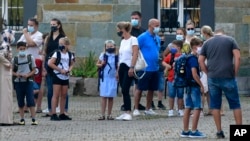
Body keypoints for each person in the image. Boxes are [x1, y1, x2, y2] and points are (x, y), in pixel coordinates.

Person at [198, 28, 242, 139]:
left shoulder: (207, 43)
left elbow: (200, 60)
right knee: (235, 104)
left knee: (215, 105)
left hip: (213, 77)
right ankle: (239, 132)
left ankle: (219, 131)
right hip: (228, 76)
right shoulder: (231, 40)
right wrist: (235, 72)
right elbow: (238, 57)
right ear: (224, 33)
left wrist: (207, 73)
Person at [133, 18, 160, 116]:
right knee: (140, 88)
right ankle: (136, 108)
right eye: (156, 25)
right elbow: (136, 49)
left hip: (155, 67)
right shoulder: (142, 37)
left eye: (158, 25)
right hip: (145, 68)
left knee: (151, 89)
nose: (158, 27)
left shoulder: (157, 38)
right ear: (150, 25)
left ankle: (148, 108)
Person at [180, 37, 206, 138]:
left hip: (187, 85)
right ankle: (194, 131)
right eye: (200, 46)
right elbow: (194, 74)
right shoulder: (194, 59)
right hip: (194, 85)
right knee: (197, 107)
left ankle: (185, 130)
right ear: (195, 47)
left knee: (188, 107)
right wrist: (201, 85)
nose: (201, 48)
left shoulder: (187, 57)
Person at [120, 11, 146, 111]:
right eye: (132, 18)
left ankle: (136, 103)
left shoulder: (142, 32)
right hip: (126, 63)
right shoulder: (127, 34)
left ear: (140, 19)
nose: (134, 20)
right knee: (125, 86)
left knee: (137, 84)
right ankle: (125, 104)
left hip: (136, 62)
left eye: (136, 18)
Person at [43, 18, 68, 117]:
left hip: (60, 64)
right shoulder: (48, 37)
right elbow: (44, 51)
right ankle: (51, 109)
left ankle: (63, 110)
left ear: (59, 26)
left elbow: (66, 51)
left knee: (63, 89)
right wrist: (44, 67)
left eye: (54, 24)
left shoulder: (63, 37)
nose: (52, 26)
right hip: (49, 64)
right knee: (50, 88)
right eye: (51, 24)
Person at [115, 21, 139, 121]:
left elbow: (135, 54)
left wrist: (132, 67)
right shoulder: (122, 41)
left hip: (129, 66)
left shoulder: (133, 40)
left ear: (123, 30)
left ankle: (129, 111)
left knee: (125, 89)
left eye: (118, 30)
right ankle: (125, 111)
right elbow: (121, 56)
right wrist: (118, 70)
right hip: (122, 66)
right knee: (122, 89)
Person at [12, 41, 38, 125]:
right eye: (20, 49)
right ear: (17, 49)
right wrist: (17, 74)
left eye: (24, 49)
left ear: (26, 48)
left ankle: (33, 118)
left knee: (30, 100)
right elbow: (11, 71)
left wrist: (28, 75)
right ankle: (22, 119)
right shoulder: (15, 59)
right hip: (19, 82)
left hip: (28, 81)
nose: (22, 50)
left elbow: (34, 70)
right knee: (20, 101)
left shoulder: (30, 58)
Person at [48, 37, 74, 121]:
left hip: (65, 76)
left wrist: (69, 70)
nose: (60, 46)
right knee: (56, 94)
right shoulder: (57, 53)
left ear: (67, 45)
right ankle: (53, 113)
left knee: (64, 95)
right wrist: (60, 70)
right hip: (58, 75)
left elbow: (72, 63)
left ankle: (62, 113)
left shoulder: (70, 54)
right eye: (59, 44)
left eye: (62, 44)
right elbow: (50, 63)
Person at [96, 40, 118, 120]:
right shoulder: (103, 55)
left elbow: (118, 66)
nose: (109, 48)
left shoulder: (116, 56)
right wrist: (101, 64)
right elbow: (97, 64)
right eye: (108, 47)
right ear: (105, 47)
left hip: (113, 78)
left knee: (111, 97)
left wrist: (118, 73)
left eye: (111, 46)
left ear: (114, 47)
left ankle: (109, 114)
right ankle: (102, 114)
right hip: (104, 78)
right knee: (104, 96)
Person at [162, 40, 184, 117]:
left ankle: (180, 109)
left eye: (173, 46)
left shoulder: (182, 56)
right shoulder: (171, 55)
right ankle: (171, 110)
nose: (171, 48)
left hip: (181, 79)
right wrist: (167, 66)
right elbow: (164, 62)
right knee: (171, 94)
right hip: (171, 78)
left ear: (178, 47)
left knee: (180, 95)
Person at [0, 29, 15, 126]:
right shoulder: (5, 45)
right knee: (6, 96)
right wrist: (8, 64)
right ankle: (6, 120)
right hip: (5, 73)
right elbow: (1, 55)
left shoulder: (3, 44)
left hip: (3, 72)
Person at [199, 25, 213, 116]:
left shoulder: (207, 43)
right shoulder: (214, 40)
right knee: (209, 91)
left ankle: (200, 109)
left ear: (204, 33)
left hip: (206, 67)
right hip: (212, 67)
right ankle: (211, 109)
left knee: (203, 89)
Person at [151, 31, 166, 110]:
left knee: (161, 87)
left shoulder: (164, 48)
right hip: (153, 68)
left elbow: (165, 58)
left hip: (161, 69)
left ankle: (160, 102)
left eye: (163, 39)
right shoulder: (154, 46)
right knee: (152, 87)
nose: (161, 41)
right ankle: (151, 102)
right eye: (160, 39)